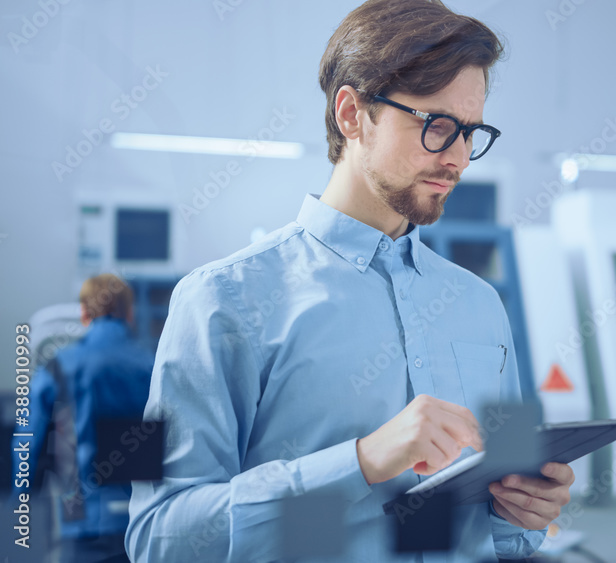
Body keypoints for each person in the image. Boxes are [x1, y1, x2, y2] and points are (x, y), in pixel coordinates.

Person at [125, 0, 573, 561]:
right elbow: (160, 537)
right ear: (352, 114)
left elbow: (508, 528)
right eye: (435, 126)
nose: (457, 157)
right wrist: (359, 462)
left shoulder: (482, 305)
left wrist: (526, 512)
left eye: (470, 132)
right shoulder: (223, 300)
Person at [12, 273, 154, 563]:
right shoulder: (154, 363)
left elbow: (28, 440)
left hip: (82, 519)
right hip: (143, 520)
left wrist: (20, 502)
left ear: (84, 313)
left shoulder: (61, 364)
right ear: (129, 313)